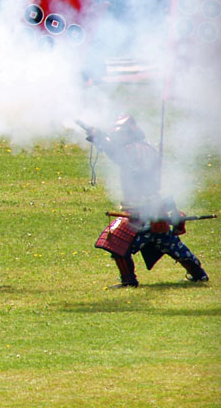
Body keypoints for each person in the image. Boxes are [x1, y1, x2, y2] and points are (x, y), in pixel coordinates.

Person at [86, 114, 209, 288]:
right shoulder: (140, 148)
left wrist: (100, 139)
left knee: (116, 243)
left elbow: (118, 156)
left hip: (144, 208)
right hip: (149, 206)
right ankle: (199, 274)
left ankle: (129, 281)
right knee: (168, 243)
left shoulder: (134, 150)